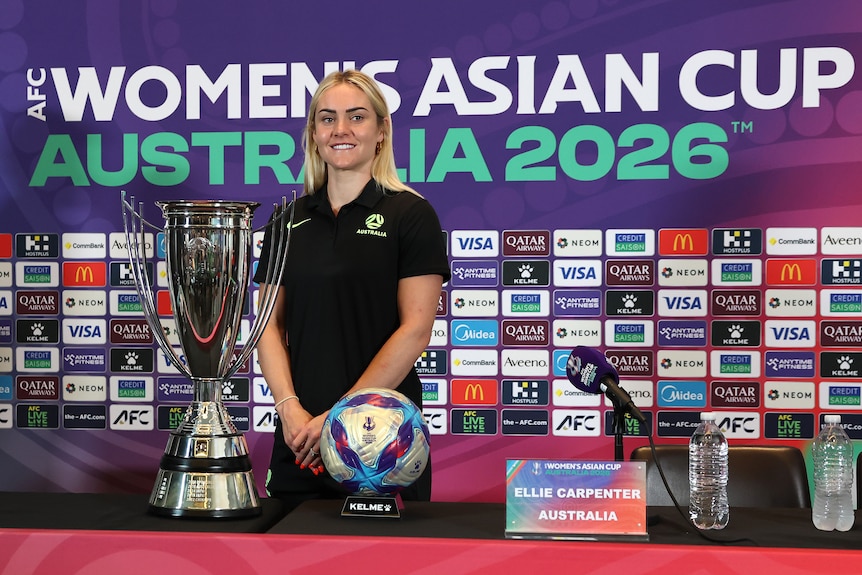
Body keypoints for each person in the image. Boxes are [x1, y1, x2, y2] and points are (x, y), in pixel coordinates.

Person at [254, 69, 450, 512]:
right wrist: (290, 411)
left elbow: (415, 329)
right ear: (313, 134)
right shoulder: (288, 219)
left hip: (384, 444)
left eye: (356, 117)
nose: (341, 130)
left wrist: (338, 421)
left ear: (381, 131)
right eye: (327, 119)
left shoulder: (410, 214)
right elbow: (266, 325)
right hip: (300, 439)